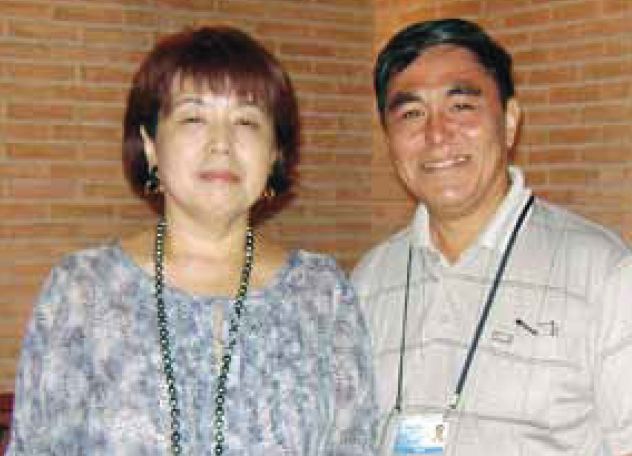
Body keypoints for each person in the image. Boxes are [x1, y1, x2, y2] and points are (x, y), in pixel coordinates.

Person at [8, 26, 376, 455]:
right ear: (150, 146)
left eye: (246, 121)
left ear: (275, 152)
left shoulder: (321, 293)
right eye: (193, 118)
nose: (221, 144)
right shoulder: (83, 290)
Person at [351, 18, 632, 456]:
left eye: (461, 106)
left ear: (510, 122)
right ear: (388, 139)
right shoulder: (369, 280)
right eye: (411, 113)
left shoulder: (603, 273)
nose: (436, 134)